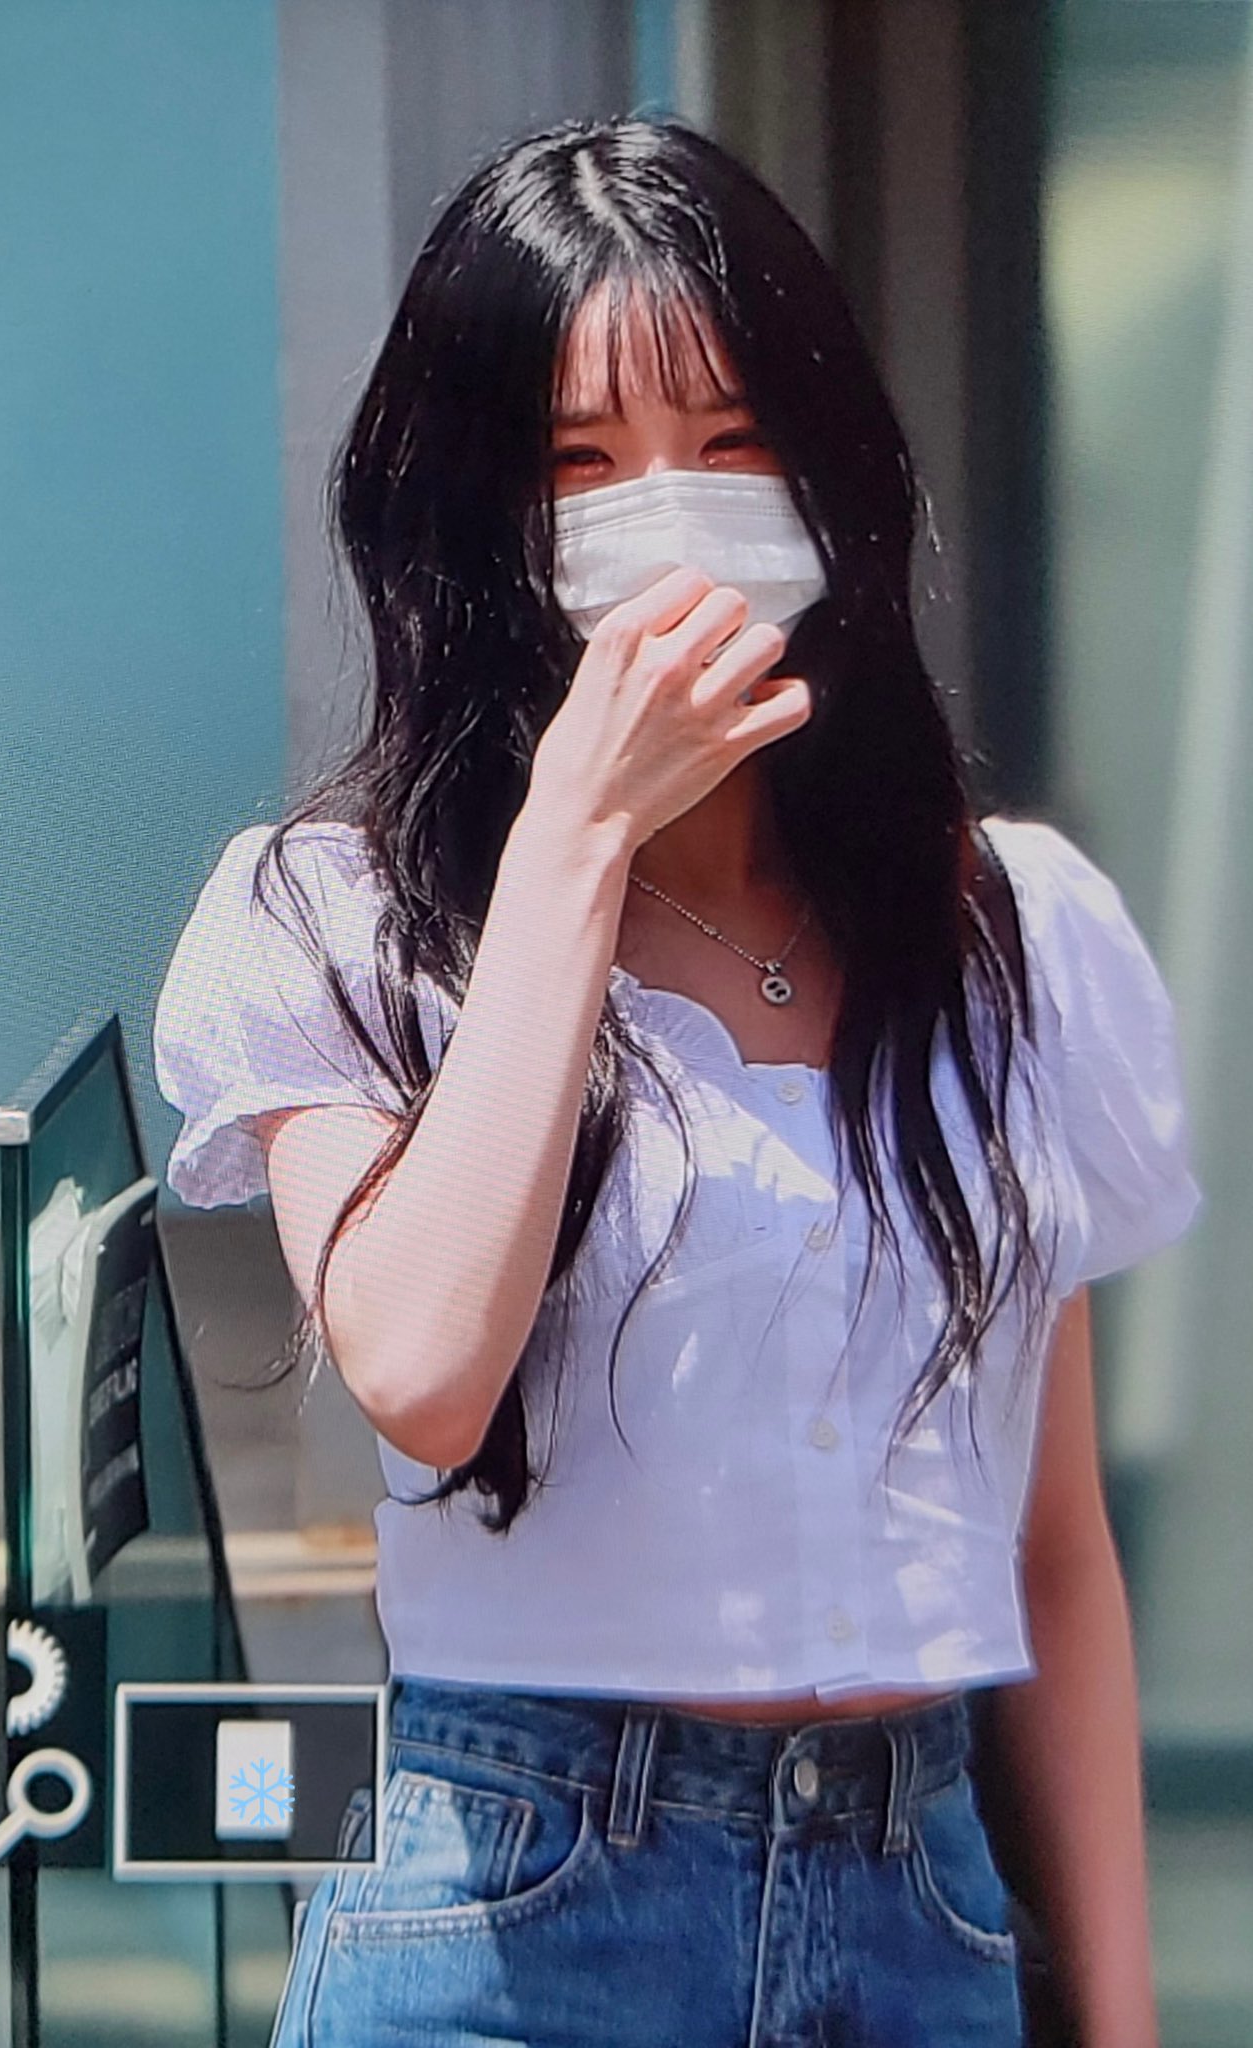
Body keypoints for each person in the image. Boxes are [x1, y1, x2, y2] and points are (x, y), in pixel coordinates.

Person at [153, 116, 1203, 2048]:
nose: (672, 514)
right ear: (474, 512)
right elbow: (423, 1369)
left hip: (918, 1913)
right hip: (519, 1907)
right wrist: (575, 832)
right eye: (582, 465)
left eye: (730, 444)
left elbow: (1053, 1551)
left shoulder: (1008, 933)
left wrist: (1122, 2016)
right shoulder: (337, 916)